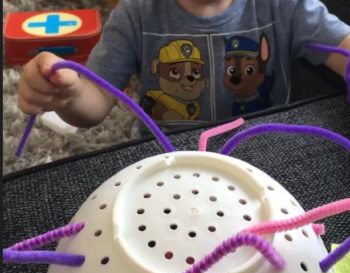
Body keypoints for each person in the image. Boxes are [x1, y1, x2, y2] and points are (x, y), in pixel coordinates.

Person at [17, 0, 350, 132]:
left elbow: (341, 47)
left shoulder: (286, 5)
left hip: (261, 151)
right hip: (162, 159)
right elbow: (95, 103)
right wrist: (68, 94)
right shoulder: (135, 14)